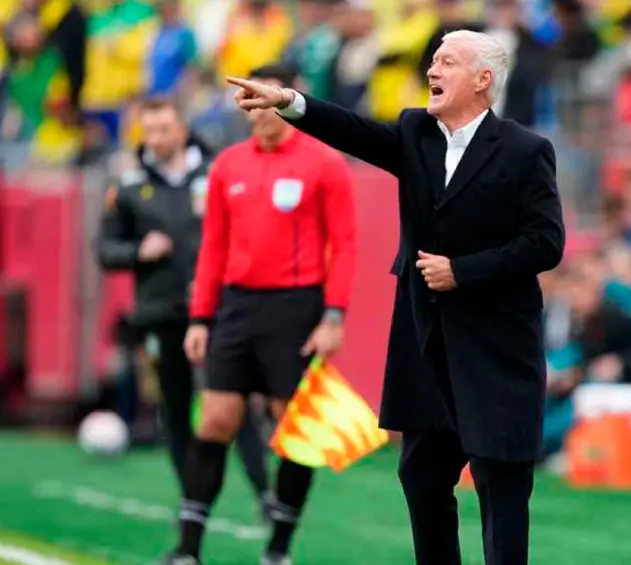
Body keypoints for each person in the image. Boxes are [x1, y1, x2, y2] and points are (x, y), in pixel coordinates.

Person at [228, 29, 565, 565]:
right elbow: (354, 131)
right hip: (427, 349)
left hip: (497, 352)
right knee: (423, 478)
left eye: (447, 63)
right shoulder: (415, 132)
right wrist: (291, 103)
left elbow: (546, 243)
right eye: (433, 61)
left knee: (501, 489)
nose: (432, 71)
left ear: (483, 80)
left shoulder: (527, 151)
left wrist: (464, 271)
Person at [165, 64, 358, 565]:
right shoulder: (228, 166)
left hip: (296, 307)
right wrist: (200, 318)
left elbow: (347, 244)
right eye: (246, 99)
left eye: (262, 97)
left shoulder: (324, 162)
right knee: (215, 420)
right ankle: (187, 550)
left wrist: (333, 316)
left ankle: (277, 550)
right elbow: (213, 248)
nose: (254, 107)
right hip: (236, 306)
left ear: (283, 99)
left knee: (289, 429)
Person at [95, 96, 271, 513]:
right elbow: (104, 250)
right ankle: (191, 499)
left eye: (165, 129)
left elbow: (251, 232)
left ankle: (265, 492)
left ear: (183, 128)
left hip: (217, 309)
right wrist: (139, 250)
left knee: (233, 400)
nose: (156, 139)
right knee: (174, 409)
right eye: (149, 130)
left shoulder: (217, 173)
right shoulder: (128, 185)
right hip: (160, 313)